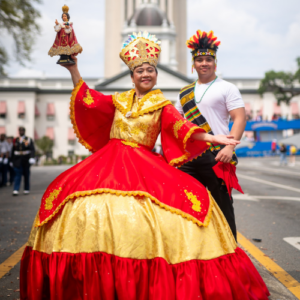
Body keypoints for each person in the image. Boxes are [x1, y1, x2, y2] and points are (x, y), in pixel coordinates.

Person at [20, 32, 269, 300]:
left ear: (156, 75)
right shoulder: (118, 101)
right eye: (140, 70)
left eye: (150, 69)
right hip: (108, 161)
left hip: (143, 163)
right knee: (76, 201)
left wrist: (214, 137)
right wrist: (74, 70)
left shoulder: (162, 105)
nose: (146, 74)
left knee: (179, 210)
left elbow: (183, 127)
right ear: (132, 75)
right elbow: (90, 100)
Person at [175, 30, 246, 240]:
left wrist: (229, 147)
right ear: (193, 63)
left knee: (223, 208)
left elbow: (240, 118)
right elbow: (178, 124)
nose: (203, 63)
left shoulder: (228, 88)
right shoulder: (184, 92)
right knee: (187, 207)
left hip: (217, 155)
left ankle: (230, 253)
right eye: (199, 60)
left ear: (215, 62)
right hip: (189, 157)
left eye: (208, 59)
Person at [11, 127, 35, 196]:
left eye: (22, 130)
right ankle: (16, 189)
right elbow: (13, 150)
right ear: (18, 131)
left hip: (26, 159)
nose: (21, 132)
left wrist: (32, 157)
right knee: (17, 175)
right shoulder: (16, 140)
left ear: (24, 131)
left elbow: (32, 149)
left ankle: (26, 189)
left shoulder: (28, 139)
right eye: (20, 130)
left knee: (26, 174)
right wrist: (11, 160)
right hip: (17, 159)